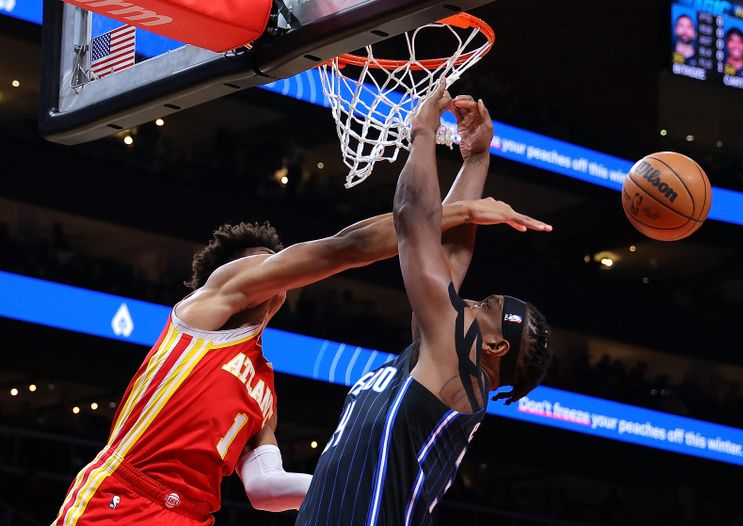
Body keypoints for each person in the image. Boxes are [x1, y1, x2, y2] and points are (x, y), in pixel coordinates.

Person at [53, 184, 539, 521]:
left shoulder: (263, 387)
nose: (274, 275)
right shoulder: (200, 317)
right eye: (262, 269)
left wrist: (357, 481)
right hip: (124, 497)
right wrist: (466, 211)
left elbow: (265, 490)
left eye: (276, 268)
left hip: (192, 517)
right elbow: (346, 247)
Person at [297, 84, 553, 525]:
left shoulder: (456, 368)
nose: (467, 299)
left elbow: (414, 217)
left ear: (495, 347)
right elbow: (444, 253)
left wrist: (423, 132)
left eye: (483, 307)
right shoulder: (440, 361)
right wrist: (475, 158)